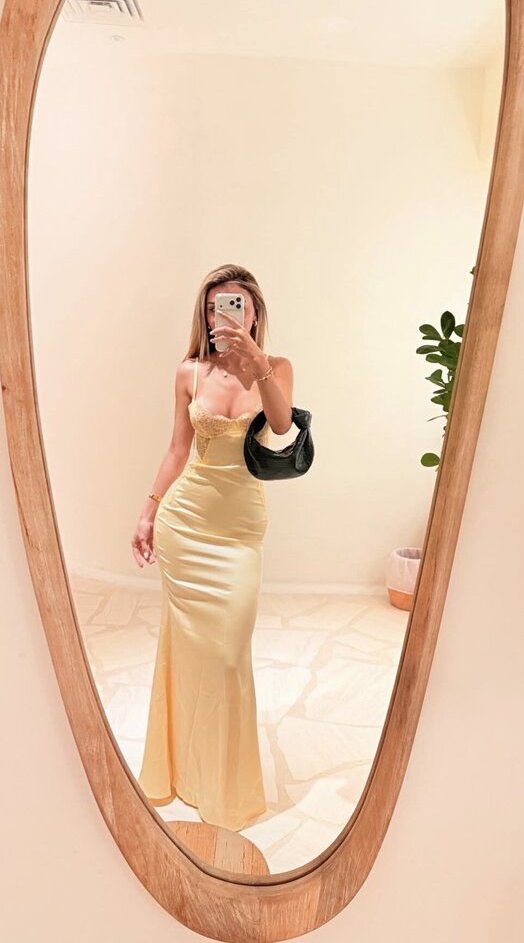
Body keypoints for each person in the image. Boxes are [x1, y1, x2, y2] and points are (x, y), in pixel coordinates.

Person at [132, 264, 294, 830]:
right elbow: (178, 450)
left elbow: (280, 426)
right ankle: (181, 772)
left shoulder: (276, 368)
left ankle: (225, 788)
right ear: (204, 316)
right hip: (187, 524)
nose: (222, 315)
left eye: (234, 305)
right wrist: (149, 510)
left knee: (227, 658)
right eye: (213, 307)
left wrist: (255, 360)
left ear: (253, 312)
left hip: (239, 530)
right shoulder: (189, 372)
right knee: (187, 651)